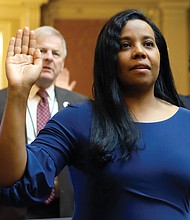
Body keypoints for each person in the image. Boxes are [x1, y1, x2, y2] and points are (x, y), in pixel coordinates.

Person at [0, 8, 190, 220]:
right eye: (125, 45)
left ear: (160, 55)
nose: (139, 51)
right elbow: (12, 177)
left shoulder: (187, 122)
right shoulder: (77, 119)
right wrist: (18, 92)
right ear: (108, 58)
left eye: (148, 44)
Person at [0, 26, 86, 219]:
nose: (49, 57)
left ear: (62, 63)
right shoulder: (2, 100)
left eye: (55, 53)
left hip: (65, 209)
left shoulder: (80, 104)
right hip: (11, 208)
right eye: (42, 51)